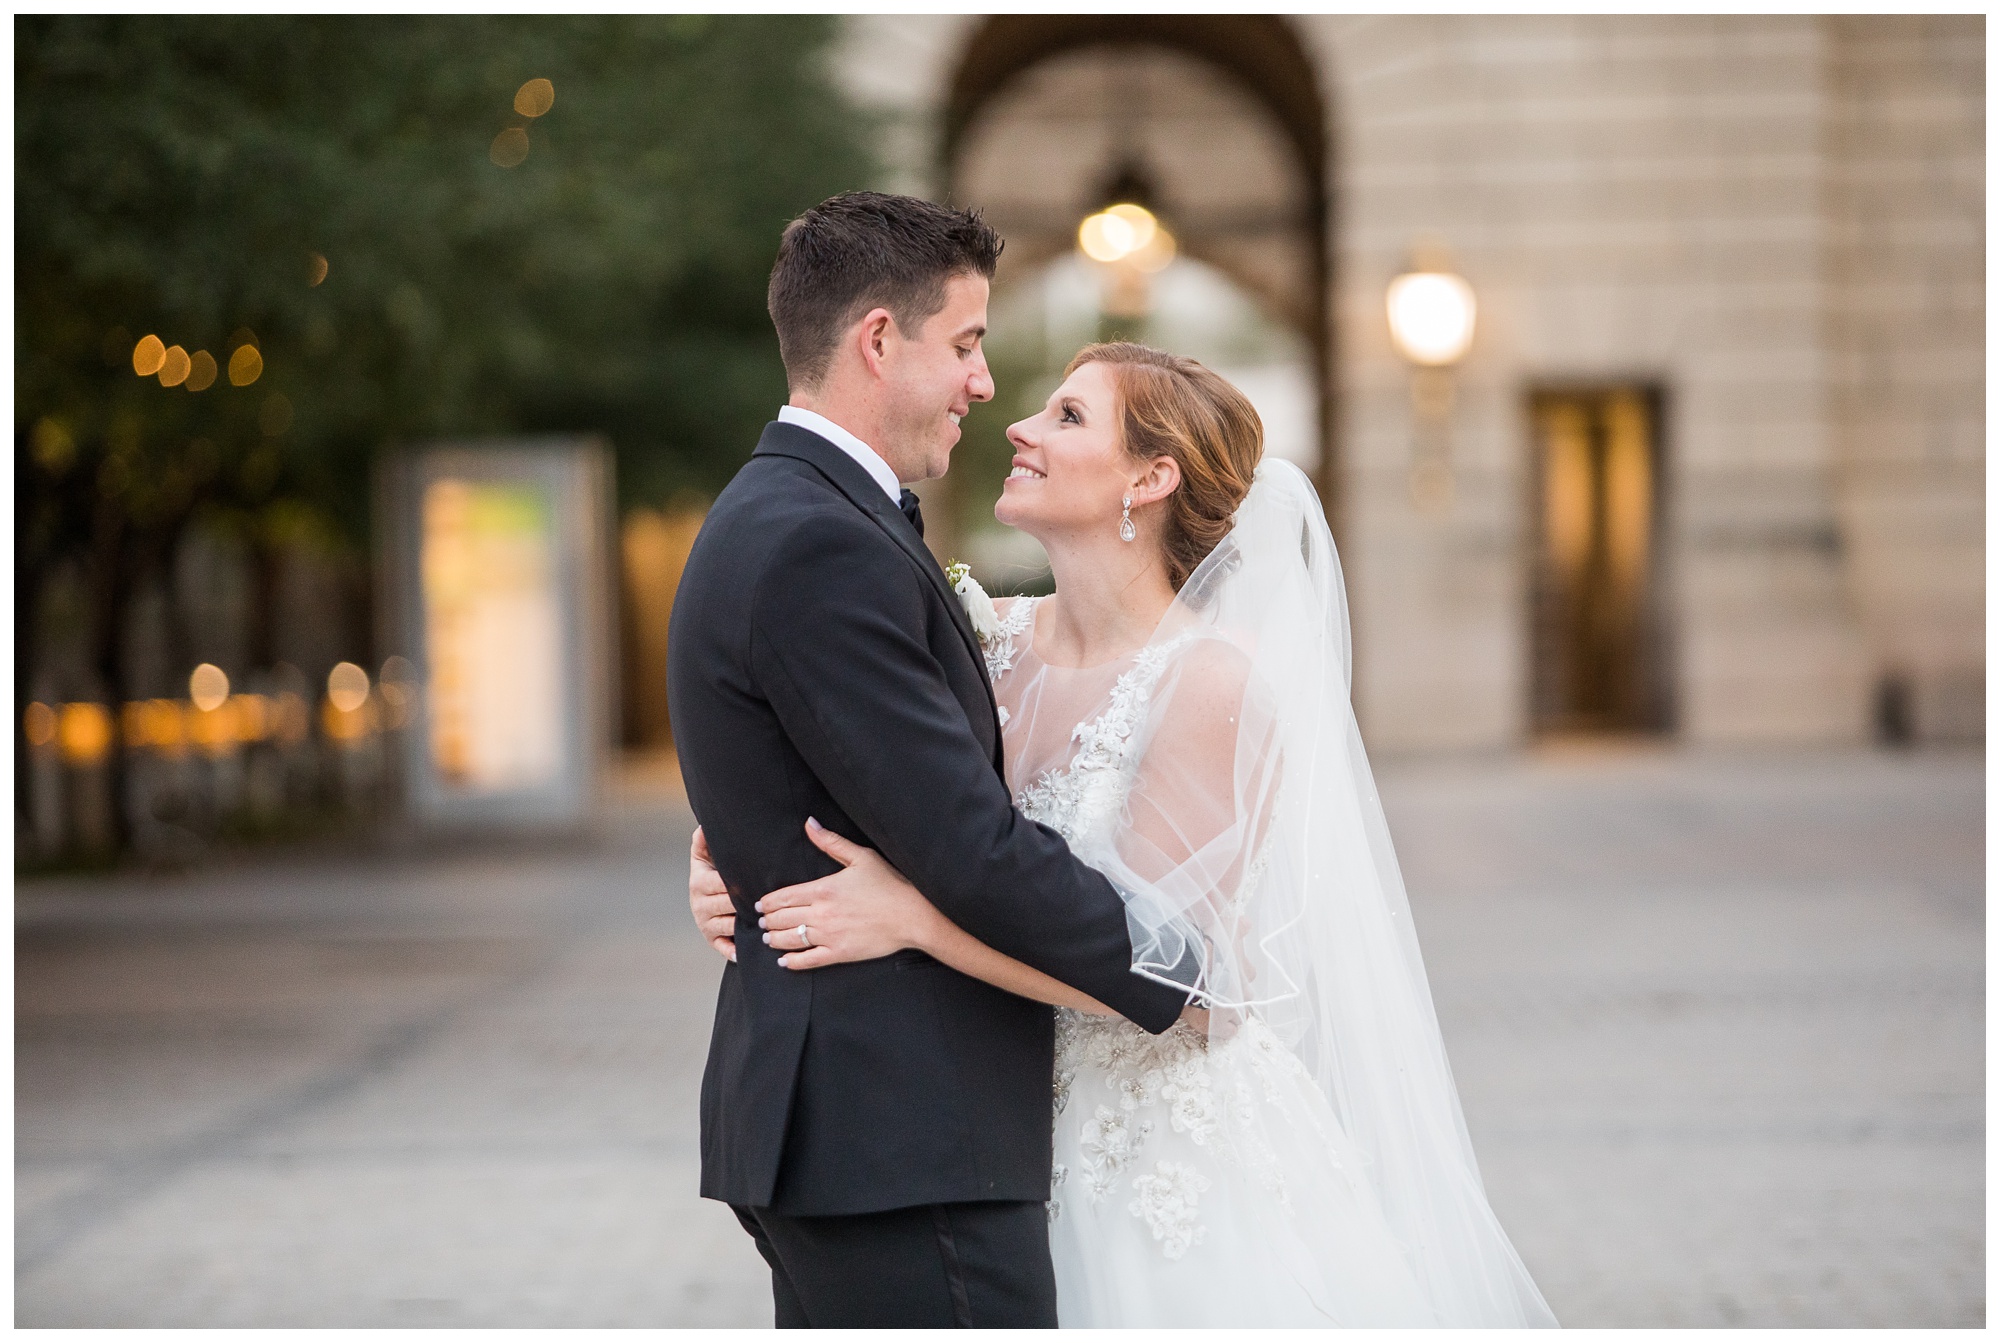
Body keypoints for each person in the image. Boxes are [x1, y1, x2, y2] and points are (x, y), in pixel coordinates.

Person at [690, 342, 1559, 1326]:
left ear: (1149, 478)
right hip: (981, 1124)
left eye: (1065, 416)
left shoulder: (1208, 684)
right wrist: (732, 853)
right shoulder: (985, 639)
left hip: (1154, 1148)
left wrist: (919, 923)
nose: (1017, 426)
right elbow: (871, 779)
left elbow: (1198, 988)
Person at [665, 193, 1198, 1330]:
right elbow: (964, 842)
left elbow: (835, 771)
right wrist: (1173, 966)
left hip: (881, 1130)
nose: (982, 384)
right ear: (875, 340)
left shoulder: (802, 515)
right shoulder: (818, 538)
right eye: (964, 344)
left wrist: (738, 853)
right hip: (900, 1135)